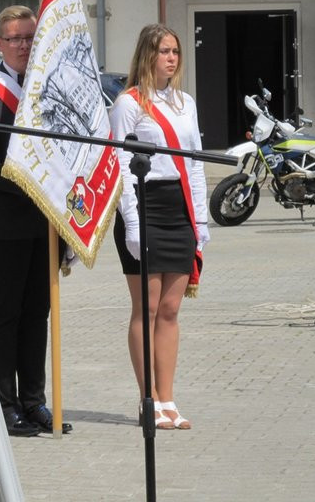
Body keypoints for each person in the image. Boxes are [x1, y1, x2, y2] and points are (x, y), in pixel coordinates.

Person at [0, 5, 72, 437]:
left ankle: (34, 401)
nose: (24, 45)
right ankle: (3, 404)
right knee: (6, 314)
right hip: (4, 225)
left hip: (44, 223)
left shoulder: (48, 91)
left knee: (38, 313)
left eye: (29, 38)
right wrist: (28, 183)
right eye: (15, 39)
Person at [108, 23, 210, 430]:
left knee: (170, 309)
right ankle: (147, 399)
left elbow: (196, 162)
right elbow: (117, 166)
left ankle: (169, 399)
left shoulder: (185, 102)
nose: (172, 58)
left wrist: (200, 218)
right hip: (143, 205)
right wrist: (131, 222)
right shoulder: (128, 104)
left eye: (176, 51)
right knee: (146, 308)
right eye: (165, 51)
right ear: (147, 54)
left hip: (178, 206)